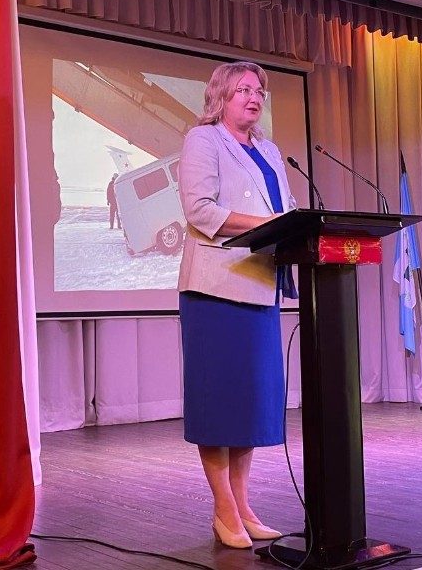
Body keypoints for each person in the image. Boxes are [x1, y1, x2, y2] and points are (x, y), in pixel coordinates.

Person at [177, 61, 298, 549]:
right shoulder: (203, 140)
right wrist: (271, 224)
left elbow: (286, 210)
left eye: (260, 91)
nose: (255, 97)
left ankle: (243, 506)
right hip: (215, 289)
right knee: (219, 401)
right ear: (221, 97)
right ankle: (223, 510)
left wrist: (294, 224)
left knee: (249, 403)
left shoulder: (268, 150)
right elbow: (199, 209)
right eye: (244, 89)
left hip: (260, 285)